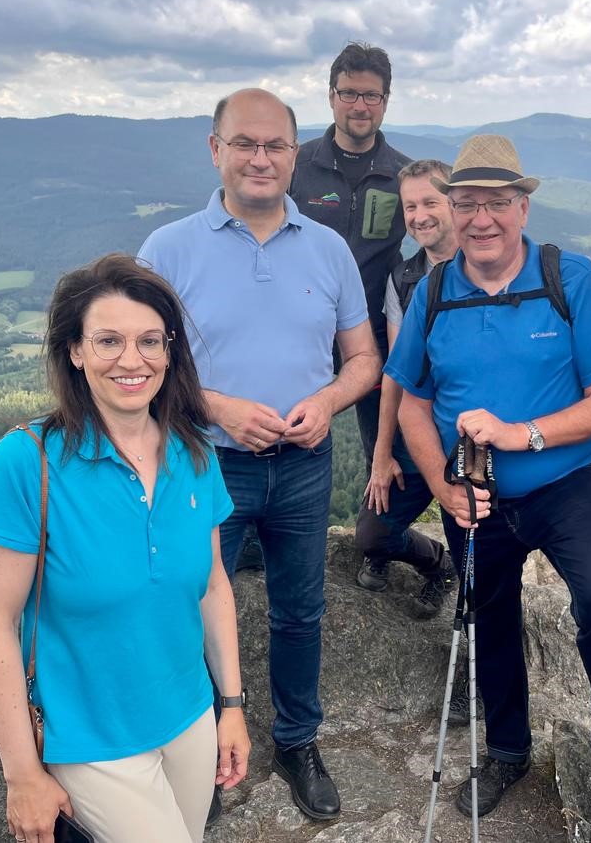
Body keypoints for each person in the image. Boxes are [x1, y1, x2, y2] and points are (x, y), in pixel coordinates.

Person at [385, 135, 591, 828]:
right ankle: (506, 750)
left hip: (565, 485)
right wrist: (440, 489)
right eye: (467, 203)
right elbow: (413, 400)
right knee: (488, 623)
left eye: (497, 203)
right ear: (451, 208)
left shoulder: (569, 278)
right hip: (471, 497)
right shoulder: (435, 290)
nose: (481, 219)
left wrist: (523, 433)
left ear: (522, 205)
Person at [138, 88, 380, 823]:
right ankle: (204, 751)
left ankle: (296, 741)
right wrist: (220, 409)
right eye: (243, 143)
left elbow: (363, 359)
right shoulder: (167, 250)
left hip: (305, 464)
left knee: (300, 610)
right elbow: (143, 366)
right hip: (205, 462)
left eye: (275, 146)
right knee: (190, 608)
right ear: (215, 150)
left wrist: (328, 403)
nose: (260, 158)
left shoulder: (328, 249)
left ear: (293, 156)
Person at [0, 254, 249, 843]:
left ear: (170, 352)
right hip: (89, 738)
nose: (132, 360)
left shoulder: (194, 454)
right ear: (74, 350)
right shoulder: (27, 463)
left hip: (189, 716)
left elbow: (213, 585)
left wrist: (232, 704)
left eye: (150, 341)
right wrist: (22, 776)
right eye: (109, 341)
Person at [289, 42, 410, 471]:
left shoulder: (402, 175)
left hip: (374, 332)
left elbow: (440, 240)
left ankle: (380, 536)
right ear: (331, 97)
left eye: (371, 95)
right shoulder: (295, 165)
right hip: (300, 327)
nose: (360, 105)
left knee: (388, 457)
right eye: (349, 93)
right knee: (287, 434)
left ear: (384, 101)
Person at [354, 159, 457, 619]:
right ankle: (440, 565)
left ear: (456, 203)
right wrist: (382, 453)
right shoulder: (404, 278)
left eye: (430, 202)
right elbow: (396, 372)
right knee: (372, 536)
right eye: (410, 206)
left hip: (469, 438)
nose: (418, 216)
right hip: (415, 434)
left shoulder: (487, 267)